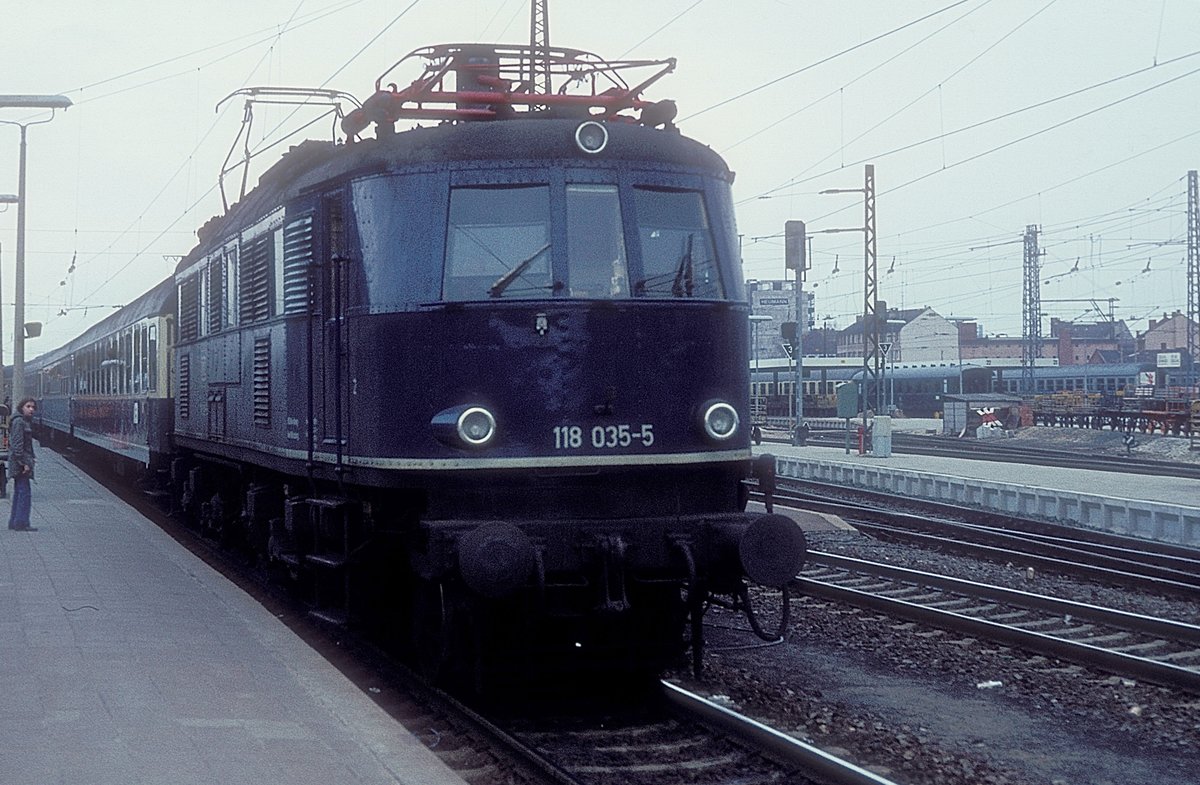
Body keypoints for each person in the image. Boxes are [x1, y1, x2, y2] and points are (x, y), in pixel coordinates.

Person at [8, 397, 37, 531]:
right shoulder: (19, 422)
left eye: (33, 407)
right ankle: (21, 523)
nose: (31, 409)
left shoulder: (21, 421)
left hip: (20, 461)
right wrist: (24, 463)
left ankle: (14, 522)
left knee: (19, 492)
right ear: (21, 407)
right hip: (20, 463)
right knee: (24, 493)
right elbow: (17, 445)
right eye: (28, 406)